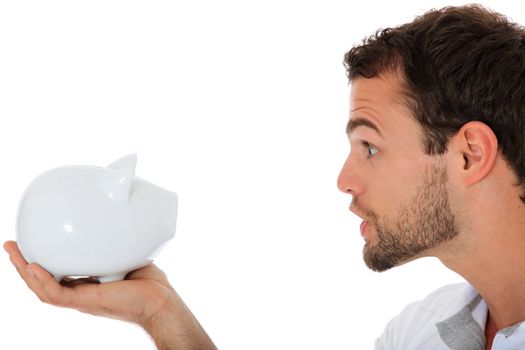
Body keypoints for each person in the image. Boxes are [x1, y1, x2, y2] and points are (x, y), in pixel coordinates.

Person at [4, 3, 525, 349]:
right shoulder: (421, 334)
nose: (345, 180)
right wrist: (157, 310)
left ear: (469, 154)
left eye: (370, 146)